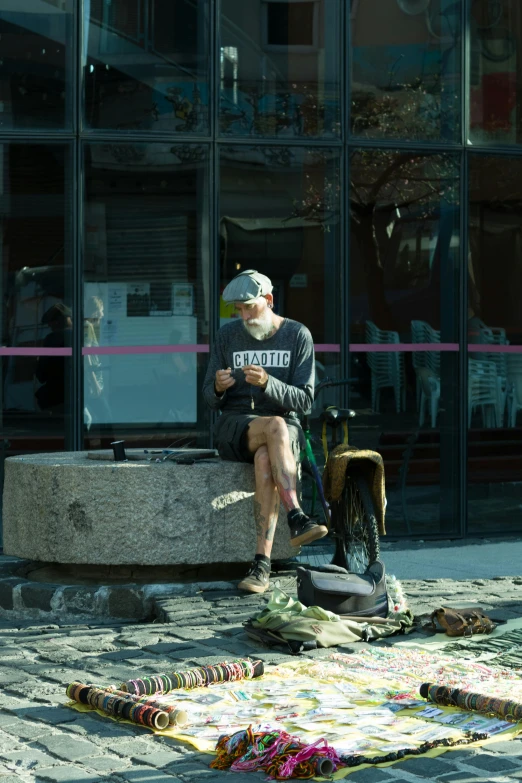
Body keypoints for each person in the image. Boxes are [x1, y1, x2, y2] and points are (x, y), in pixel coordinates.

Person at [202, 269, 327, 594]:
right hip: (235, 426)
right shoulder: (227, 335)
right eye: (238, 310)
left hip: (284, 432)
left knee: (264, 459)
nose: (243, 315)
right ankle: (297, 515)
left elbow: (306, 401)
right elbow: (208, 398)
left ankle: (261, 565)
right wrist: (217, 386)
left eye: (249, 307)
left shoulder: (298, 335)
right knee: (274, 426)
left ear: (268, 300)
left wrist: (269, 384)